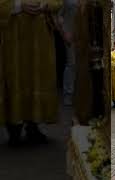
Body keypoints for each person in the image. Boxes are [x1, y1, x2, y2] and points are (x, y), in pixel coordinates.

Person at [0, 0, 62, 146]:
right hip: (14, 38)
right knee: (15, 78)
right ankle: (14, 128)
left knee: (37, 79)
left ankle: (33, 125)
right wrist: (18, 5)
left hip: (39, 38)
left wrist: (46, 4)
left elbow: (58, 2)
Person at [57, 0, 78, 106]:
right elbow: (59, 15)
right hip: (70, 34)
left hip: (85, 35)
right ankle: (68, 94)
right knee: (71, 64)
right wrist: (64, 33)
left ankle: (81, 95)